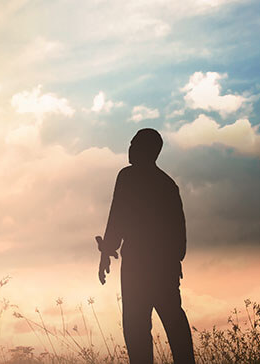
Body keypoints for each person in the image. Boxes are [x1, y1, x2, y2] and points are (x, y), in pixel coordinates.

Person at [96, 128, 195, 364]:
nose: (129, 149)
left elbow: (117, 215)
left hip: (137, 267)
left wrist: (107, 250)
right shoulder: (168, 184)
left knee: (137, 328)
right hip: (164, 267)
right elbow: (179, 228)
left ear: (148, 150)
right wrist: (175, 260)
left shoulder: (128, 176)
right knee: (174, 322)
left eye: (134, 145)